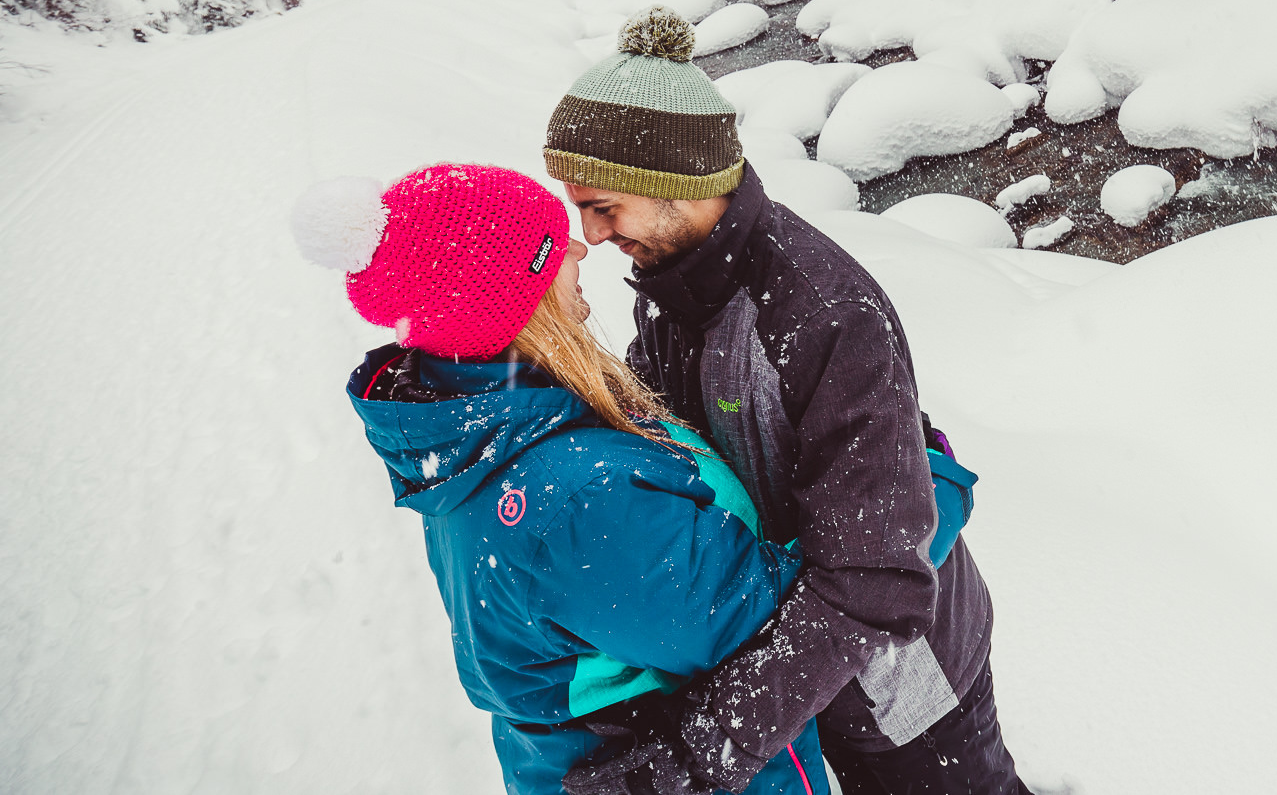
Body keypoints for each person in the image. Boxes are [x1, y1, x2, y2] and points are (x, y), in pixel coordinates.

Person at [540, 7, 1028, 795]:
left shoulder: (821, 315)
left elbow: (875, 580)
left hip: (907, 683)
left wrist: (698, 751)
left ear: (673, 184)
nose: (591, 235)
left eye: (603, 206)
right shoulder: (674, 286)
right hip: (809, 673)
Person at [293, 163, 860, 795]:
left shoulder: (485, 429)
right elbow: (784, 618)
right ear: (513, 306)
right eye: (550, 245)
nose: (579, 246)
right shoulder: (576, 503)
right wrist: (911, 487)